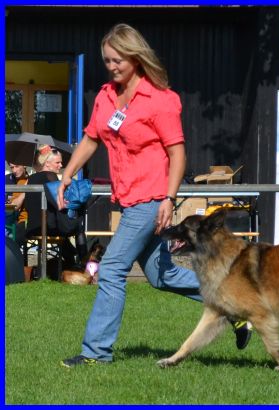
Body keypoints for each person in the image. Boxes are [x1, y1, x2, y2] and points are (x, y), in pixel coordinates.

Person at [57, 23, 251, 368]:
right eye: (107, 60)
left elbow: (177, 153)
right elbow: (90, 138)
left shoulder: (159, 100)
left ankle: (95, 353)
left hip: (151, 199)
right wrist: (67, 174)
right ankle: (237, 307)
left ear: (135, 57)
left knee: (112, 268)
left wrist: (168, 199)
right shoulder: (105, 96)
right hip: (128, 198)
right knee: (164, 276)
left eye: (117, 60)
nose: (111, 66)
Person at [23, 144, 87, 272]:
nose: (61, 165)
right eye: (57, 162)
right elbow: (60, 202)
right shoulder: (50, 176)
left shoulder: (31, 178)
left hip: (32, 227)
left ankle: (71, 261)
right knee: (78, 227)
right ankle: (84, 264)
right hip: (47, 227)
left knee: (65, 227)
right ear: (47, 163)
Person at [5, 163, 28, 246]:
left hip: (20, 220)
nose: (14, 170)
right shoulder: (5, 179)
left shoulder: (29, 180)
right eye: (12, 167)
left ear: (24, 165)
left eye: (17, 166)